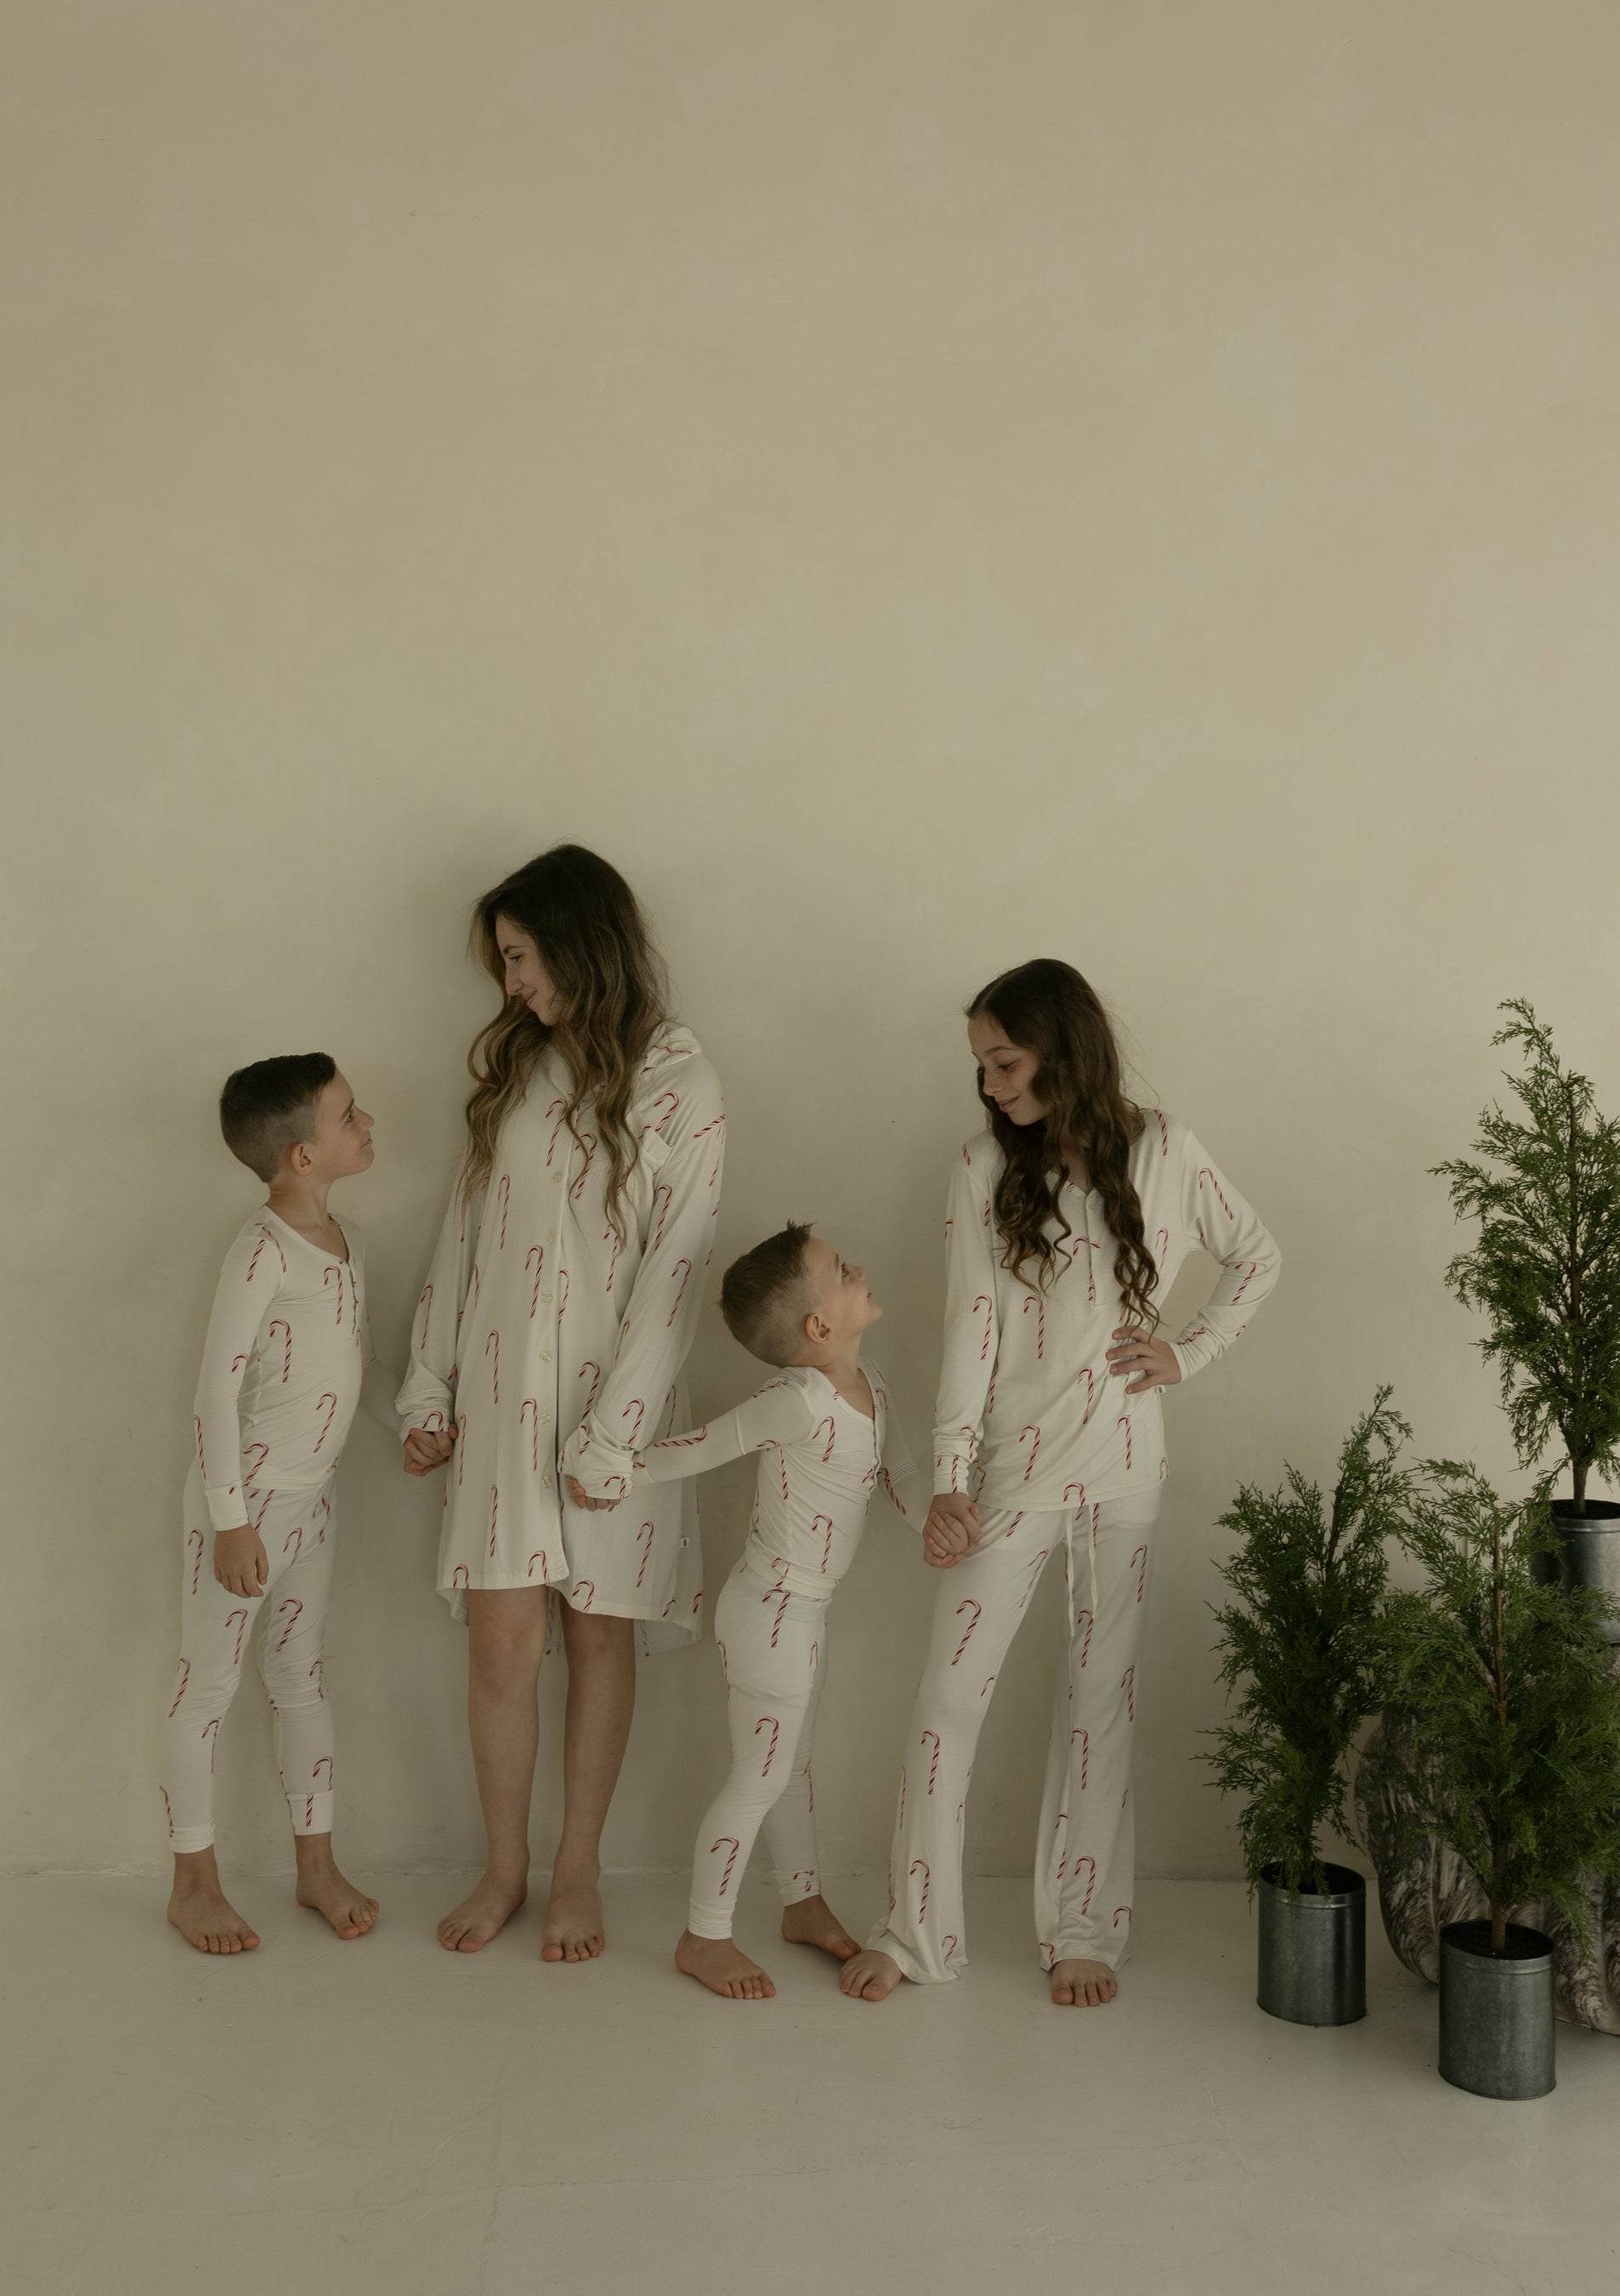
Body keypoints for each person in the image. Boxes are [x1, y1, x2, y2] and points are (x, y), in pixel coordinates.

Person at [841, 959, 1280, 2009]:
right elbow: (968, 1333)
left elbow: (1255, 1255)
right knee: (947, 1697)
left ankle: (1083, 1929)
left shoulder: (1164, 1151)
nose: (991, 1084)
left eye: (1005, 1060)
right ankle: (913, 1930)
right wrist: (951, 1481)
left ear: (1064, 1049)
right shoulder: (982, 1167)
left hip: (1125, 1469)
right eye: (981, 1066)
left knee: (1098, 1705)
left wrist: (1190, 1349)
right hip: (1013, 1474)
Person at [399, 844, 724, 1959]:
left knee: (596, 1634)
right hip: (498, 1397)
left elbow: (674, 1271)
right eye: (504, 961)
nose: (514, 983)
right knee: (499, 1641)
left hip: (609, 1402)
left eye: (523, 954)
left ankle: (578, 1868)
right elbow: (462, 1237)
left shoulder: (680, 1074)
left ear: (580, 940)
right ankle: (505, 1867)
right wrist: (425, 1388)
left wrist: (616, 1430)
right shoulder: (517, 1078)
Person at [568, 1222, 927, 1998]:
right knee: (758, 1778)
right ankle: (705, 1936)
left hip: (809, 1612)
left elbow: (901, 1477)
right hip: (769, 1612)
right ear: (818, 1327)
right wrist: (616, 1471)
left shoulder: (875, 1387)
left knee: (791, 1766)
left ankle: (802, 1903)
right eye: (840, 1267)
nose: (859, 1264)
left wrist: (945, 1522)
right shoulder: (796, 1400)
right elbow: (704, 1445)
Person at [162, 1055, 399, 1954]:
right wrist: (229, 1518)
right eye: (347, 1114)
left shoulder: (349, 1243)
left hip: (314, 1503)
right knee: (207, 1689)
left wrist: (408, 1425)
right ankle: (193, 1884)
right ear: (302, 1154)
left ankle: (314, 1864)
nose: (366, 1119)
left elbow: (360, 1368)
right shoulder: (261, 1250)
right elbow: (215, 1392)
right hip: (247, 1506)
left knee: (301, 1679)